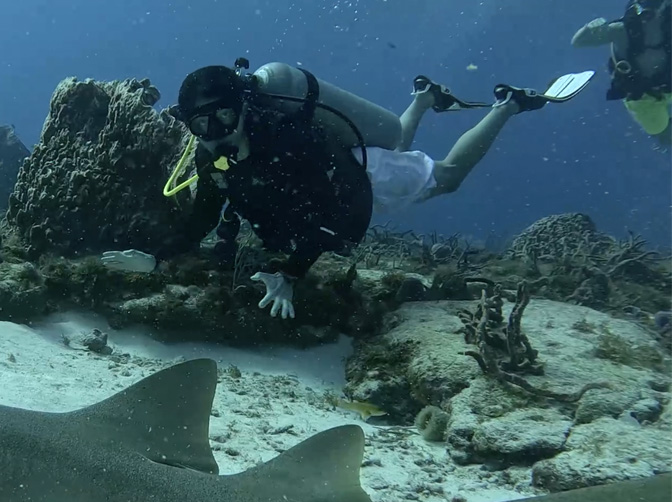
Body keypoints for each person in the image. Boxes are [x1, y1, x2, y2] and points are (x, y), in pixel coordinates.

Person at [101, 59, 593, 319]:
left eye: (223, 117)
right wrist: (158, 258)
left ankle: (508, 104)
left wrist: (291, 273)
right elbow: (201, 220)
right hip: (325, 190)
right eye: (199, 123)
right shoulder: (214, 157)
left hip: (357, 176)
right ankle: (425, 97)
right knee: (399, 138)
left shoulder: (293, 138)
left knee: (446, 178)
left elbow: (336, 210)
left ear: (244, 108)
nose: (215, 131)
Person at [571, 0, 671, 148]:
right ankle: (664, 139)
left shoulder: (621, 30)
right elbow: (578, 41)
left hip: (657, 89)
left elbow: (578, 42)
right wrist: (589, 29)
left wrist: (589, 30)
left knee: (660, 129)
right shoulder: (622, 30)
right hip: (643, 96)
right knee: (661, 131)